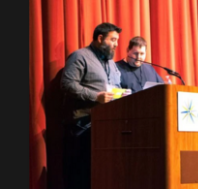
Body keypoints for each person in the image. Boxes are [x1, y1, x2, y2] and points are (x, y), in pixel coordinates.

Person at [60, 22, 130, 189]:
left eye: (117, 40)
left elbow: (116, 87)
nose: (116, 44)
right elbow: (67, 84)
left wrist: (123, 94)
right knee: (83, 174)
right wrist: (95, 96)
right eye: (113, 39)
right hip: (83, 125)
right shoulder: (80, 56)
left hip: (108, 126)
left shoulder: (112, 63)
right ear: (100, 38)